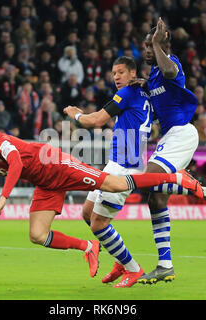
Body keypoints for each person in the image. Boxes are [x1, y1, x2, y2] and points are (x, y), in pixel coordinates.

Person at [0, 122, 204, 278]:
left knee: (114, 183)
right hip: (45, 183)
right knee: (37, 235)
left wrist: (4, 196)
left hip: (55, 164)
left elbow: (16, 163)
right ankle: (88, 247)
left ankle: (176, 178)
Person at [134, 18, 206, 285]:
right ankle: (165, 265)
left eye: (150, 46)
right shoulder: (152, 75)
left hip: (183, 133)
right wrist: (142, 85)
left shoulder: (172, 65)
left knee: (148, 179)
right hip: (169, 137)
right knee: (155, 198)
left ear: (162, 45)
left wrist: (159, 45)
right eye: (146, 46)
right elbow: (156, 90)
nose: (146, 50)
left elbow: (170, 73)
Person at [63, 56, 152, 287]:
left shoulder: (128, 93)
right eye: (113, 73)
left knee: (98, 224)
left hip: (126, 167)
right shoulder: (145, 93)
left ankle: (133, 269)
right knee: (87, 212)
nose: (116, 77)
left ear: (133, 73)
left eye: (121, 72)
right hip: (116, 163)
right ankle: (119, 260)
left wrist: (76, 114)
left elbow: (97, 120)